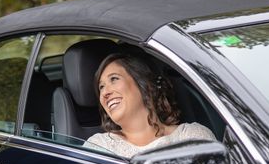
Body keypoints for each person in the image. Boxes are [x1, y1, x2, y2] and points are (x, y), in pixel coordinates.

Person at [85, 52, 215, 158]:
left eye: (114, 79)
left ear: (144, 84)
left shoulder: (194, 137)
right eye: (101, 87)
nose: (105, 93)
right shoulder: (98, 147)